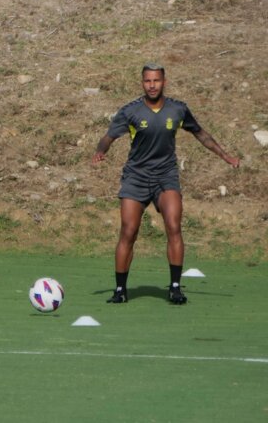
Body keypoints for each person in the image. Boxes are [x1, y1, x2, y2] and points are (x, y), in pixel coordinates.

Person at [92, 62, 240, 305]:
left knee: (173, 225)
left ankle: (174, 288)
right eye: (147, 81)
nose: (152, 85)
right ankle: (120, 290)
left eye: (156, 80)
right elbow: (108, 137)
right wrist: (100, 151)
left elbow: (201, 133)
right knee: (128, 231)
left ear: (164, 82)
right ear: (142, 83)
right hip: (136, 177)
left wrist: (226, 156)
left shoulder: (178, 110)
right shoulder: (130, 111)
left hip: (166, 176)